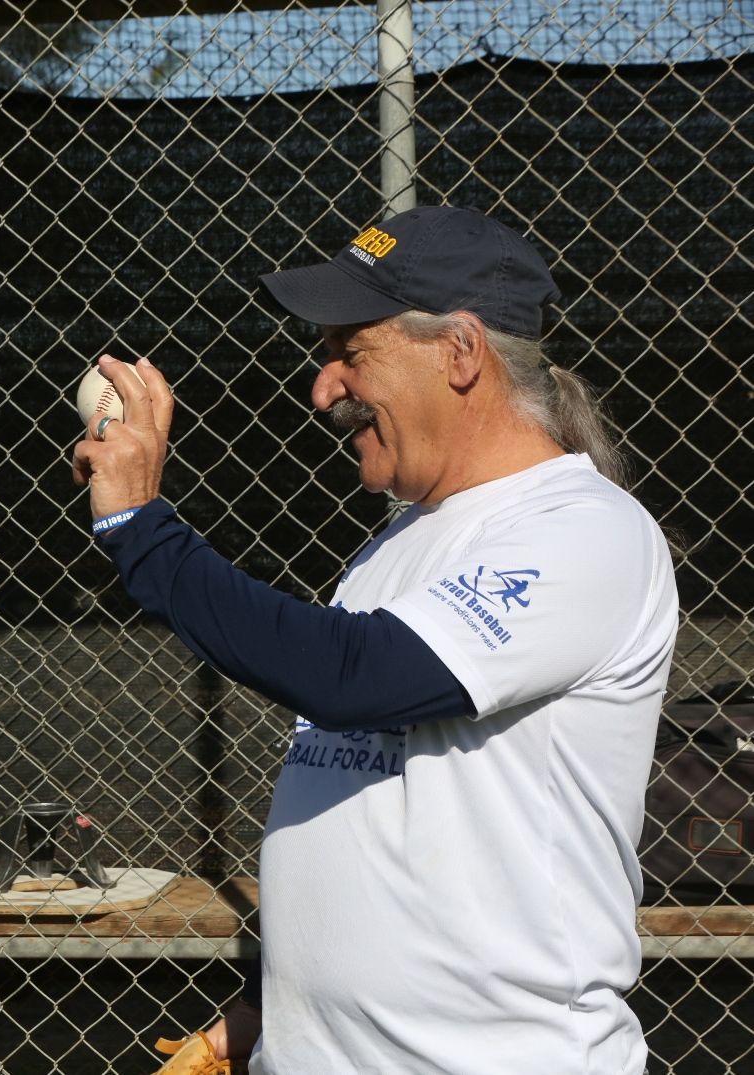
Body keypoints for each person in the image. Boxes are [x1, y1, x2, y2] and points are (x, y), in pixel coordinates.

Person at [73, 205, 677, 1074]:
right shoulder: (398, 541)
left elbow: (355, 677)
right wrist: (268, 1014)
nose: (323, 389)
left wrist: (141, 529)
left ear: (460, 352)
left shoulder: (585, 529)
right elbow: (368, 806)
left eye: (349, 352)